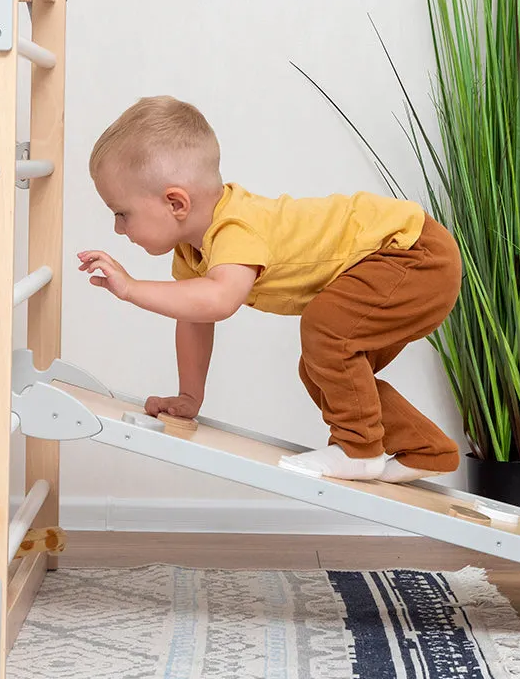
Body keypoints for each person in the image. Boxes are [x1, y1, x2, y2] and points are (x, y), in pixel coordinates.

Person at [78, 95, 462, 483]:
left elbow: (219, 300)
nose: (118, 229)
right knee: (323, 368)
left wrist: (130, 288)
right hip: (405, 258)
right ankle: (424, 450)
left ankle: (359, 449)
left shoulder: (236, 227)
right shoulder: (192, 250)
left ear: (176, 202)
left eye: (121, 213)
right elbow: (194, 316)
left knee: (326, 330)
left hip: (413, 253)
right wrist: (189, 398)